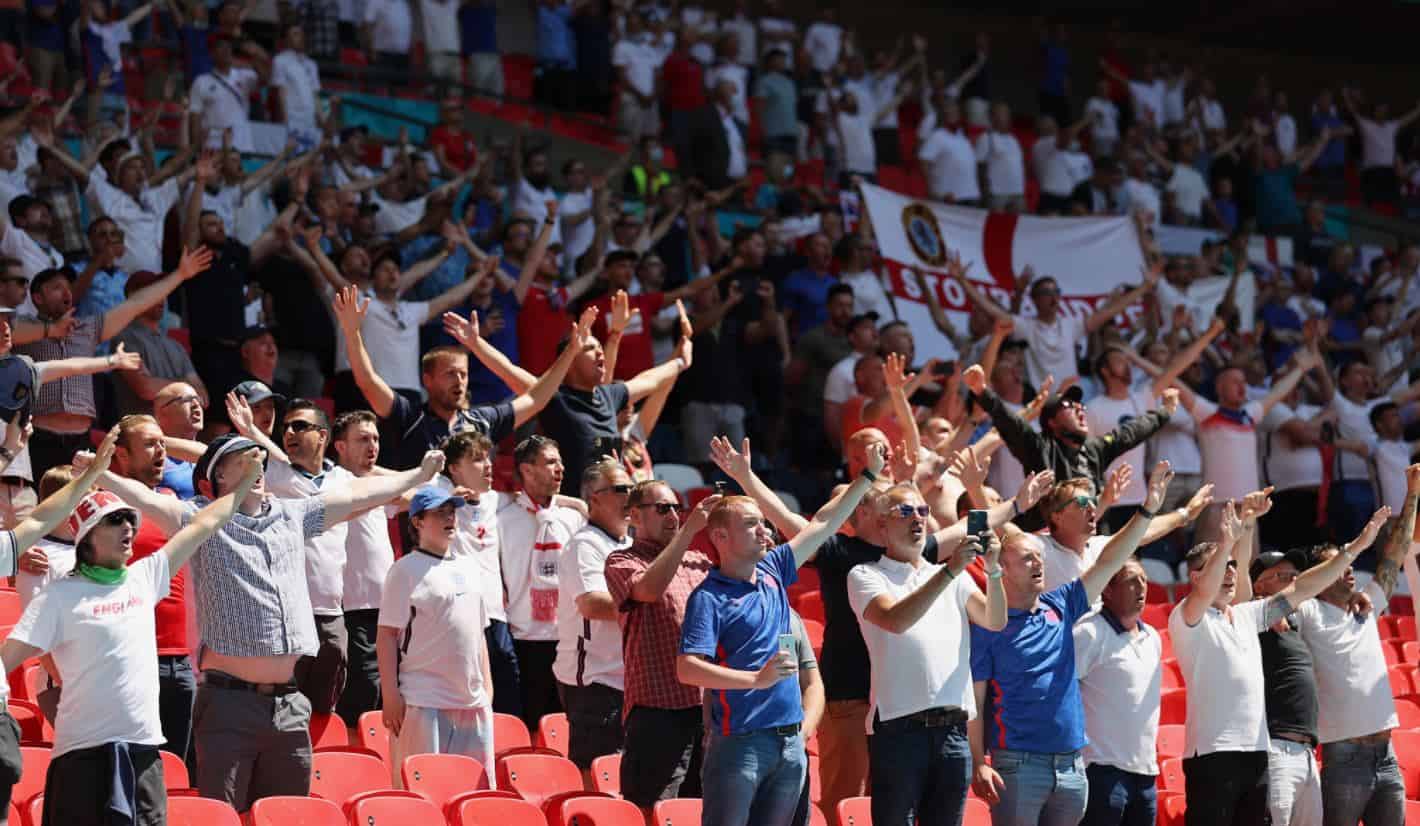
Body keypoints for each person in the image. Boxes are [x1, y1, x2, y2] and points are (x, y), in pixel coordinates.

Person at [707, 434, 1054, 825]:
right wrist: (747, 478)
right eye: (898, 507)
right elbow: (808, 524)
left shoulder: (925, 559)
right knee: (845, 802)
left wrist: (1018, 505)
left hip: (918, 710)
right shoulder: (846, 558)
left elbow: (969, 531)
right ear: (872, 516)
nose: (917, 516)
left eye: (920, 510)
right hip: (855, 698)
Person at [96, 434, 454, 812]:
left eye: (258, 457)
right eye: (241, 458)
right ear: (211, 481)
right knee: (224, 816)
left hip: (289, 705)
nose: (256, 462)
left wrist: (416, 476)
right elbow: (147, 500)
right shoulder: (199, 519)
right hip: (228, 705)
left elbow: (356, 496)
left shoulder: (292, 515)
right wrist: (102, 475)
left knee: (287, 815)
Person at [1, 438, 259, 825]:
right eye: (114, 521)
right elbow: (7, 661)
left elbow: (206, 522)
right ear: (86, 538)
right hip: (81, 756)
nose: (127, 528)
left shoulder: (145, 575)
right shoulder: (58, 597)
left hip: (142, 754)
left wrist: (242, 487)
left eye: (130, 520)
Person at [677, 443, 886, 826]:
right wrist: (754, 680)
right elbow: (688, 669)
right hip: (740, 742)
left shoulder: (774, 568)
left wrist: (868, 477)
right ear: (720, 537)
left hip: (791, 743)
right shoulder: (708, 597)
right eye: (751, 524)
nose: (765, 530)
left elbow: (823, 523)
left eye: (763, 522)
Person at [969, 461, 1173, 826]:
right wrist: (976, 763)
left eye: (1038, 556)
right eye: (1027, 558)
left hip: (1071, 765)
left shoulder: (1061, 603)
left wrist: (1147, 509)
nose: (1038, 563)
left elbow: (1111, 560)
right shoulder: (987, 623)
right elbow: (977, 702)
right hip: (1017, 764)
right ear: (1000, 567)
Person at [1169, 497, 1389, 826]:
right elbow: (1204, 594)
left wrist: (1354, 549)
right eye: (1219, 566)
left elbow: (1302, 588)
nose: (1229, 573)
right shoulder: (1188, 615)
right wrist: (1229, 540)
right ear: (1195, 577)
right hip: (1212, 754)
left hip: (1257, 754)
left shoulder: (1247, 616)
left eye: (1232, 566)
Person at [848, 487, 1007, 826]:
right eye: (905, 512)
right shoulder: (865, 575)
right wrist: (950, 571)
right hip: (898, 731)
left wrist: (993, 572)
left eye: (922, 510)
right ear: (881, 526)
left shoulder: (950, 576)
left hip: (952, 731)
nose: (918, 518)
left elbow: (994, 620)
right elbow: (895, 619)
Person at [447, 298, 692, 496]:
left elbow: (649, 380)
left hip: (615, 511)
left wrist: (681, 361)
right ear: (569, 361)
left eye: (599, 347)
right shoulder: (555, 399)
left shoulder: (609, 395)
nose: (600, 353)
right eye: (589, 348)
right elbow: (509, 371)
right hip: (573, 517)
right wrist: (476, 343)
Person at [334, 286, 588, 470]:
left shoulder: (482, 420)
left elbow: (536, 398)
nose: (459, 381)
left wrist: (570, 353)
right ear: (427, 380)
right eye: (450, 374)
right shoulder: (410, 417)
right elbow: (367, 381)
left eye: (464, 374)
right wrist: (352, 332)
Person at [1294, 463, 1420, 826]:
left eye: (1348, 560)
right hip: (1344, 756)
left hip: (1387, 753)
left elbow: (1394, 555)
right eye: (1337, 563)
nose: (1349, 567)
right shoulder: (1308, 612)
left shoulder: (1366, 605)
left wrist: (1412, 493)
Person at [232, 395, 351, 717]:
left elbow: (391, 491)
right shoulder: (275, 475)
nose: (290, 433)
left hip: (331, 612)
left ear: (323, 436)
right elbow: (207, 455)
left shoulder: (344, 480)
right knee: (285, 706)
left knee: (324, 710)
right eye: (286, 428)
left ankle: (325, 766)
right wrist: (250, 431)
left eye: (300, 426)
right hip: (289, 612)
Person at [604, 481, 719, 809]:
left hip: (703, 707)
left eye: (676, 508)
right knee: (654, 808)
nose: (674, 515)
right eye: (663, 508)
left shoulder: (699, 561)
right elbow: (649, 591)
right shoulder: (622, 560)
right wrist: (689, 532)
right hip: (656, 710)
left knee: (699, 809)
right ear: (634, 516)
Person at [378, 485, 495, 788]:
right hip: (423, 700)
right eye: (440, 512)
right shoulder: (403, 570)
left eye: (452, 511)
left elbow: (478, 632)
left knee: (474, 798)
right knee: (421, 799)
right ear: (417, 522)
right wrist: (390, 694)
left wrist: (487, 689)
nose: (450, 518)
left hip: (472, 704)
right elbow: (387, 635)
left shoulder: (471, 566)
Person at [963, 365, 1178, 529]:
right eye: (1069, 406)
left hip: (1088, 544)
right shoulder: (1039, 447)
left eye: (1081, 405)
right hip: (1045, 547)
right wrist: (981, 390)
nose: (1079, 409)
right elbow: (1011, 422)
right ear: (1051, 422)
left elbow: (1132, 432)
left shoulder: (1095, 450)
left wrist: (1165, 411)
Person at [951, 257, 1161, 388]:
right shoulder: (1027, 327)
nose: (1054, 298)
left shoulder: (1072, 326)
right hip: (1040, 406)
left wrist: (1144, 288)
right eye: (1046, 293)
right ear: (1034, 299)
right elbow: (993, 311)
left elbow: (1109, 312)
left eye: (1056, 292)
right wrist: (962, 281)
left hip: (1071, 403)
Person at [497, 435, 586, 729]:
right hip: (523, 640)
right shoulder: (503, 519)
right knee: (528, 727)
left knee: (566, 728)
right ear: (527, 469)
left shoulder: (574, 519)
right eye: (550, 462)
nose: (560, 468)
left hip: (568, 640)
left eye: (560, 461)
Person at [553, 459, 632, 778]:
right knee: (595, 774)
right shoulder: (584, 543)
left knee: (626, 777)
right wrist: (649, 602)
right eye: (621, 489)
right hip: (594, 680)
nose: (631, 495)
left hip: (628, 679)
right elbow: (592, 604)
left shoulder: (631, 543)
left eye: (633, 488)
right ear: (594, 498)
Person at [1073, 555, 1165, 826]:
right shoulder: (1088, 633)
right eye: (1131, 581)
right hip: (1102, 771)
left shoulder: (1154, 638)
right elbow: (1063, 694)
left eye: (1144, 580)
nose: (1142, 588)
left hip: (1146, 772)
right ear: (1107, 590)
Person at [435, 432, 521, 717]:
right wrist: (446, 497)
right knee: (466, 695)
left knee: (506, 697)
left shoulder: (496, 500)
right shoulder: (438, 497)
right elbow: (411, 497)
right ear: (455, 469)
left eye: (487, 458)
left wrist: (576, 504)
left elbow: (526, 498)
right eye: (476, 459)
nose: (487, 465)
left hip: (496, 614)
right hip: (460, 612)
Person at [1249, 547, 1322, 826]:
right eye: (1282, 576)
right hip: (1276, 747)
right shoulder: (1254, 616)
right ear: (1259, 585)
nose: (1292, 582)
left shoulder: (1293, 622)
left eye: (1295, 575)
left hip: (1306, 752)